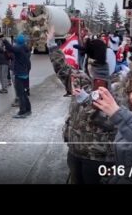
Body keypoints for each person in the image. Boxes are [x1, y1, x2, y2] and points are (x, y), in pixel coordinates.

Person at [46, 26, 117, 184]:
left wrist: (91, 101)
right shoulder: (79, 79)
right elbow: (61, 67)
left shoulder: (118, 88)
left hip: (101, 157)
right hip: (76, 152)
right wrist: (51, 44)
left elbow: (114, 121)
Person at [3, 34, 31, 118]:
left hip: (20, 74)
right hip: (25, 74)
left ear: (18, 42)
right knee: (24, 94)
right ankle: (28, 109)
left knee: (21, 94)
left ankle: (22, 111)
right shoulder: (25, 48)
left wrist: (4, 40)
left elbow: (11, 48)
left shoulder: (20, 49)